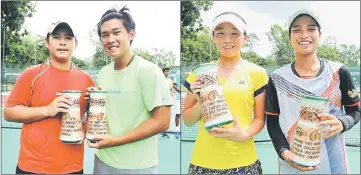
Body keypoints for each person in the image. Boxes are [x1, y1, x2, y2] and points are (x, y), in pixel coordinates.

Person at [265, 9, 360, 174]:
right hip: (292, 164)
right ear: (290, 38)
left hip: (334, 166)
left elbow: (355, 111)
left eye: (311, 29)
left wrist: (342, 123)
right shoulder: (276, 78)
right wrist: (283, 152)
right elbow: (272, 122)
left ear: (319, 34)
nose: (304, 35)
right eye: (297, 30)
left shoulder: (339, 72)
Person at [85, 6, 173, 174]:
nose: (110, 39)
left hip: (138, 167)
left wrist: (114, 141)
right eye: (105, 35)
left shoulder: (149, 71)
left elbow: (162, 121)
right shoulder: (103, 73)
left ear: (131, 34)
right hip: (102, 161)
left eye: (116, 32)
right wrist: (93, 101)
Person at [182, 11, 267, 174]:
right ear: (213, 37)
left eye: (235, 33)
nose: (227, 40)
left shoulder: (257, 73)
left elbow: (259, 119)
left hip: (244, 162)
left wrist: (244, 135)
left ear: (245, 38)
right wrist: (202, 102)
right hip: (203, 163)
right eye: (220, 33)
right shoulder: (198, 73)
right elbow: (187, 120)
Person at [4, 21, 94, 174]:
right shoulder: (31, 74)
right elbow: (9, 112)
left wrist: (87, 127)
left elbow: (87, 118)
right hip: (33, 167)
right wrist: (47, 109)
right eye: (57, 37)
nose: (62, 43)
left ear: (75, 43)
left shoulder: (86, 79)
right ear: (47, 42)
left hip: (72, 167)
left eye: (68, 38)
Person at [160, 67, 181, 138]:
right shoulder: (159, 80)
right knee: (161, 116)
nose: (167, 73)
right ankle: (161, 131)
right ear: (163, 72)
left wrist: (171, 94)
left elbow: (171, 90)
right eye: (166, 71)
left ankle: (163, 130)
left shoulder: (170, 81)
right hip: (161, 101)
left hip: (168, 101)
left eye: (168, 71)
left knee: (167, 116)